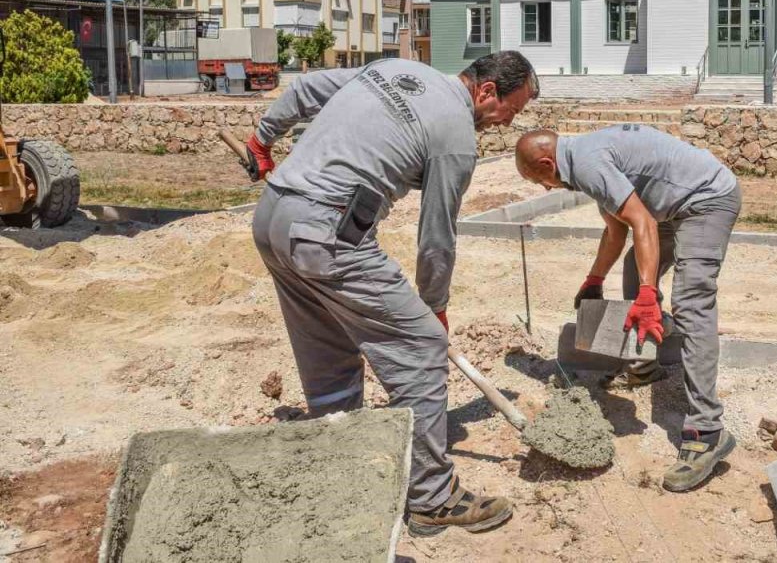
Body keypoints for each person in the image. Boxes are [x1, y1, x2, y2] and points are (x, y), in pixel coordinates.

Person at [247, 51, 538, 537]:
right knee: (422, 347)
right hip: (327, 232)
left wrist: (262, 140)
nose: (510, 122)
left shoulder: (396, 70)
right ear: (487, 91)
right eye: (513, 109)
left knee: (329, 351)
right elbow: (436, 238)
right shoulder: (458, 138)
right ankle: (432, 499)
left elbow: (301, 92)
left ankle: (342, 468)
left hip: (273, 218)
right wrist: (435, 308)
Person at [513, 124, 741, 492]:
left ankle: (707, 431)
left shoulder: (586, 164)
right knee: (637, 268)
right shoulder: (582, 160)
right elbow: (616, 231)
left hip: (706, 200)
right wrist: (593, 280)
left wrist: (649, 297)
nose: (543, 189)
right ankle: (642, 367)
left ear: (546, 164)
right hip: (672, 206)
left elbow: (643, 223)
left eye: (539, 181)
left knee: (691, 303)